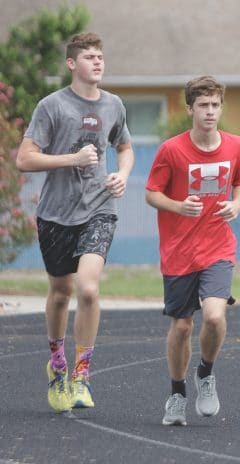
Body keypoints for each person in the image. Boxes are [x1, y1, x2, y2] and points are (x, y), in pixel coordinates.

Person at [16, 32, 134, 413]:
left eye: (101, 56)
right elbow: (25, 159)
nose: (97, 62)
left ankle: (82, 376)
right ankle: (57, 362)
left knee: (87, 289)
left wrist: (123, 174)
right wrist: (71, 159)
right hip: (55, 214)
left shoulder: (114, 105)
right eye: (89, 57)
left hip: (100, 208)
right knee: (61, 293)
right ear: (72, 64)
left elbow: (125, 146)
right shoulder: (52, 106)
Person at [145, 75, 240, 426]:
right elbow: (151, 194)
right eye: (203, 105)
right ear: (190, 108)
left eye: (215, 105)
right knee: (181, 328)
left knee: (214, 317)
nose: (210, 111)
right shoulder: (172, 150)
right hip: (178, 251)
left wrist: (236, 205)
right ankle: (177, 394)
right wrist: (178, 207)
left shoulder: (236, 146)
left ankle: (205, 373)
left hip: (218, 245)